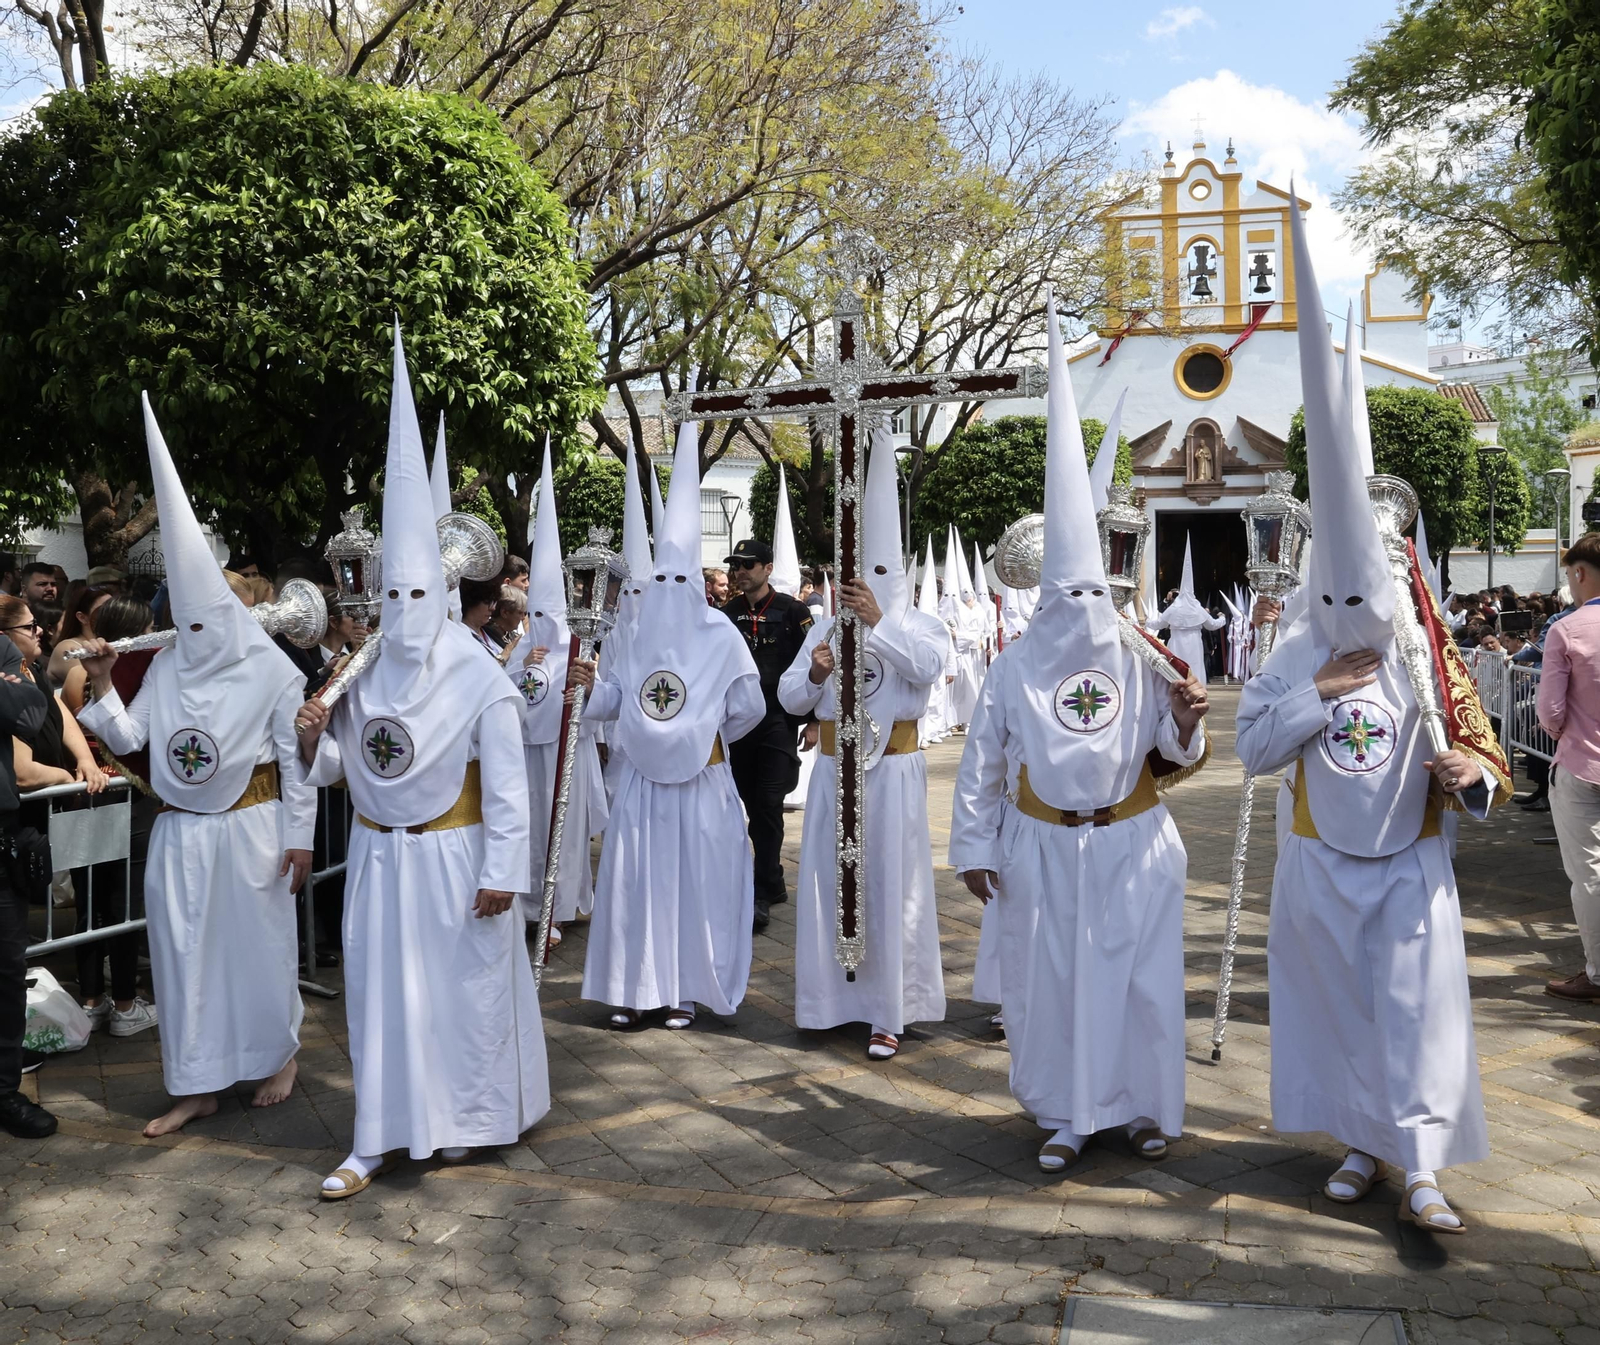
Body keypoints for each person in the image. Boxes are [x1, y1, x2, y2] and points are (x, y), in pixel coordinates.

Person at [1236, 199, 1509, 1235]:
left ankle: (1426, 1166)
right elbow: (1252, 748)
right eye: (1334, 600)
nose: (1350, 618)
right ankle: (1358, 1141)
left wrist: (1469, 777)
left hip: (1407, 860)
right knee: (1339, 1008)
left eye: (1367, 601)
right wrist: (1318, 697)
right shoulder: (1292, 651)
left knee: (1415, 1008)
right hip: (1316, 857)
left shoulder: (1428, 652)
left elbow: (1482, 747)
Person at [950, 292, 1208, 1173]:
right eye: (1068, 596)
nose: (1083, 611)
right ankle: (1063, 1112)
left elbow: (1177, 753)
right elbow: (981, 762)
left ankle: (1143, 1109)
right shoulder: (1014, 666)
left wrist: (1184, 721)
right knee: (1051, 987)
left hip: (1134, 842)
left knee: (1139, 985)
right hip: (1042, 848)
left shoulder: (1140, 656)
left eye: (1094, 593)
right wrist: (974, 848)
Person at [294, 327, 544, 1198]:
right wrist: (309, 734)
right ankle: (376, 1135)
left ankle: (468, 1121)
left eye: (416, 593)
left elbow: (508, 784)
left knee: (460, 999)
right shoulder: (355, 673)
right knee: (378, 1000)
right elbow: (337, 769)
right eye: (388, 593)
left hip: (455, 855)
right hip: (375, 853)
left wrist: (506, 868)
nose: (401, 608)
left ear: (441, 593)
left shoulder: (477, 673)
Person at [77, 396, 314, 1138]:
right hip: (180, 833)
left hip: (253, 827)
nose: (198, 634)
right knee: (182, 957)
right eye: (187, 619)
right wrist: (102, 682)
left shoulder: (275, 673)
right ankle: (197, 1083)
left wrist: (301, 836)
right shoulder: (167, 664)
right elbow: (130, 735)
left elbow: (297, 766)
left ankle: (280, 1055)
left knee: (260, 948)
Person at [573, 403, 764, 1030]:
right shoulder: (633, 636)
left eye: (685, 576)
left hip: (702, 782)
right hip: (641, 786)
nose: (673, 586)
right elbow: (617, 701)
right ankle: (633, 989)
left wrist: (698, 736)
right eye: (664, 576)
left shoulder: (722, 635)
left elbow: (748, 707)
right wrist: (588, 688)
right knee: (635, 886)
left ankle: (683, 990)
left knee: (694, 885)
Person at [778, 426, 948, 1059]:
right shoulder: (821, 624)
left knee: (893, 887)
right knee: (828, 884)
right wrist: (818, 671)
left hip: (895, 774)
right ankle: (829, 1003)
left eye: (879, 573)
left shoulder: (922, 623)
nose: (867, 584)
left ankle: (890, 1012)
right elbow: (790, 698)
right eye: (859, 574)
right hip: (830, 774)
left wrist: (881, 626)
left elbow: (927, 670)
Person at [508, 441, 608, 948]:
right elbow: (503, 696)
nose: (543, 624)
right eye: (536, 614)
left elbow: (595, 704)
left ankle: (560, 907)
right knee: (527, 832)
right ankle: (528, 906)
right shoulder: (519, 647)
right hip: (526, 759)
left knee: (564, 837)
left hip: (566, 755)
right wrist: (514, 670)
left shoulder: (580, 647)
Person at [73, 596, 161, 1036]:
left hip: (88, 795)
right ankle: (122, 1004)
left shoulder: (87, 671)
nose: (153, 637)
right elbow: (121, 740)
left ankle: (92, 999)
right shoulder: (147, 668)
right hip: (119, 796)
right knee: (119, 904)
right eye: (148, 628)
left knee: (96, 902)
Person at [719, 538, 813, 930]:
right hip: (738, 724)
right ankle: (770, 881)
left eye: (749, 564)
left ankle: (761, 889)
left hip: (777, 720)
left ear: (768, 568)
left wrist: (817, 719)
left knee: (769, 805)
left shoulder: (794, 612)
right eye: (736, 565)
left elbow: (812, 665)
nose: (740, 572)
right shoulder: (725, 614)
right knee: (743, 805)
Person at [1540, 533, 1600, 1003]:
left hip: (1583, 765)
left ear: (1579, 573)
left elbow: (1550, 713)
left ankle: (1598, 974)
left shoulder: (1567, 629)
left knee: (1590, 874)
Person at [0, 625, 52, 1138]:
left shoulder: (3, 649)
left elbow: (30, 713)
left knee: (7, 973)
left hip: (1, 842)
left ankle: (4, 1091)